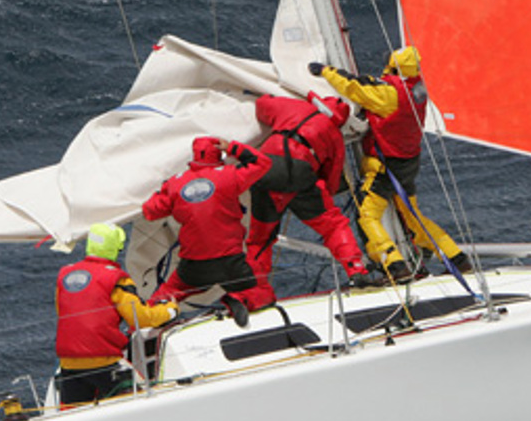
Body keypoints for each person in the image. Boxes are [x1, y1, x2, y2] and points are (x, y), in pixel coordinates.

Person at [310, 46, 472, 283]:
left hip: (386, 167)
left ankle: (395, 265)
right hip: (409, 162)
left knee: (367, 215)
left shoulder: (389, 94)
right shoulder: (418, 90)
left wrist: (325, 71)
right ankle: (457, 258)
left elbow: (354, 86)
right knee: (412, 216)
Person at [245, 92, 377, 306]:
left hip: (267, 168)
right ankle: (356, 269)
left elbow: (262, 106)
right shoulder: (334, 136)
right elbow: (332, 179)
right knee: (333, 226)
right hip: (301, 174)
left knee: (261, 238)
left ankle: (255, 291)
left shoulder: (295, 108)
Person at [143, 136, 272, 325]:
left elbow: (149, 211)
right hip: (231, 262)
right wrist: (233, 148)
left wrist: (164, 189)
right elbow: (263, 162)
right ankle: (239, 299)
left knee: (169, 292)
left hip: (194, 265)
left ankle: (151, 317)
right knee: (261, 290)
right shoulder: (230, 175)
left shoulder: (175, 184)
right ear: (218, 153)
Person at [55, 222, 178, 407]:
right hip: (105, 363)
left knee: (73, 415)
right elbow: (141, 318)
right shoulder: (116, 279)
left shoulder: (65, 275)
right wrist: (170, 310)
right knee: (144, 401)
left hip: (69, 365)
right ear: (115, 247)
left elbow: (65, 312)